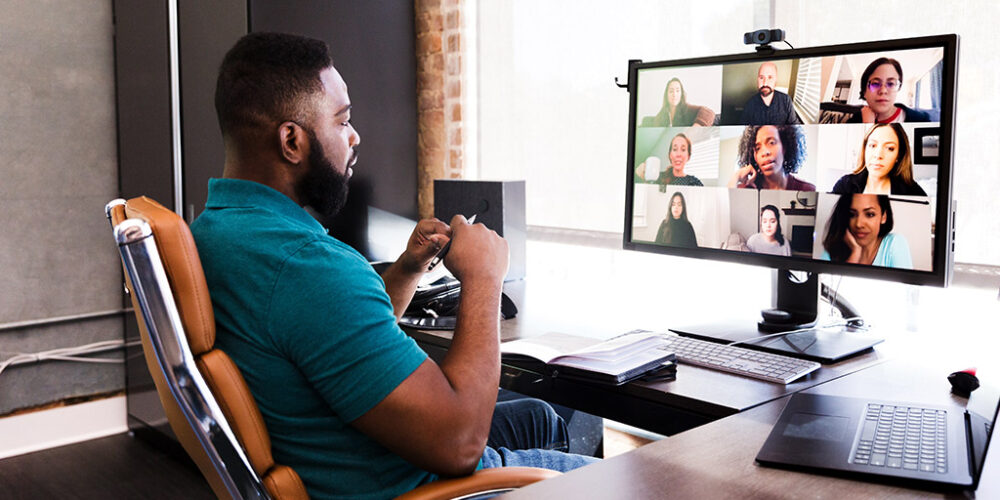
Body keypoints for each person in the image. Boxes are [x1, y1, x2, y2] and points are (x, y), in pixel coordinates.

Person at [190, 33, 596, 499]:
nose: (354, 136)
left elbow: (328, 338)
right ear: (291, 141)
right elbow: (461, 444)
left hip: (350, 452)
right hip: (426, 484)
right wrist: (484, 276)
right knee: (646, 477)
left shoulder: (215, 234)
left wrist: (407, 269)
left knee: (541, 417)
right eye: (342, 120)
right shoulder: (308, 267)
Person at [832, 123, 926, 196]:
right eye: (873, 146)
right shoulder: (845, 185)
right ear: (865, 149)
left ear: (899, 155)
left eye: (890, 148)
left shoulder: (913, 192)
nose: (878, 155)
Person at [820, 194, 913, 268]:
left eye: (870, 214)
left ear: (883, 216)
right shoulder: (834, 248)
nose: (858, 224)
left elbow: (907, 286)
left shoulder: (894, 244)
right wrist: (855, 255)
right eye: (852, 214)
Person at [728, 125, 816, 191]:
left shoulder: (807, 189)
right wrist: (736, 176)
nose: (765, 152)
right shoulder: (746, 189)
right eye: (758, 148)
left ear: (784, 147)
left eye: (771, 143)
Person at [848, 57, 931, 124]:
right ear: (864, 92)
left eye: (891, 84)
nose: (883, 91)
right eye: (875, 84)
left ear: (898, 88)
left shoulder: (921, 120)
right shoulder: (854, 121)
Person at [640, 77, 715, 127]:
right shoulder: (662, 114)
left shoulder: (687, 109)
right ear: (666, 95)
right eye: (671, 91)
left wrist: (695, 129)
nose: (674, 94)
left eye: (677, 91)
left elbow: (709, 112)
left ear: (681, 94)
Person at [634, 133, 703, 186]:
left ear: (688, 156)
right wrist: (639, 174)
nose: (678, 154)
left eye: (683, 149)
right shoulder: (658, 178)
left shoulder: (694, 182)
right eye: (675, 149)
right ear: (670, 155)